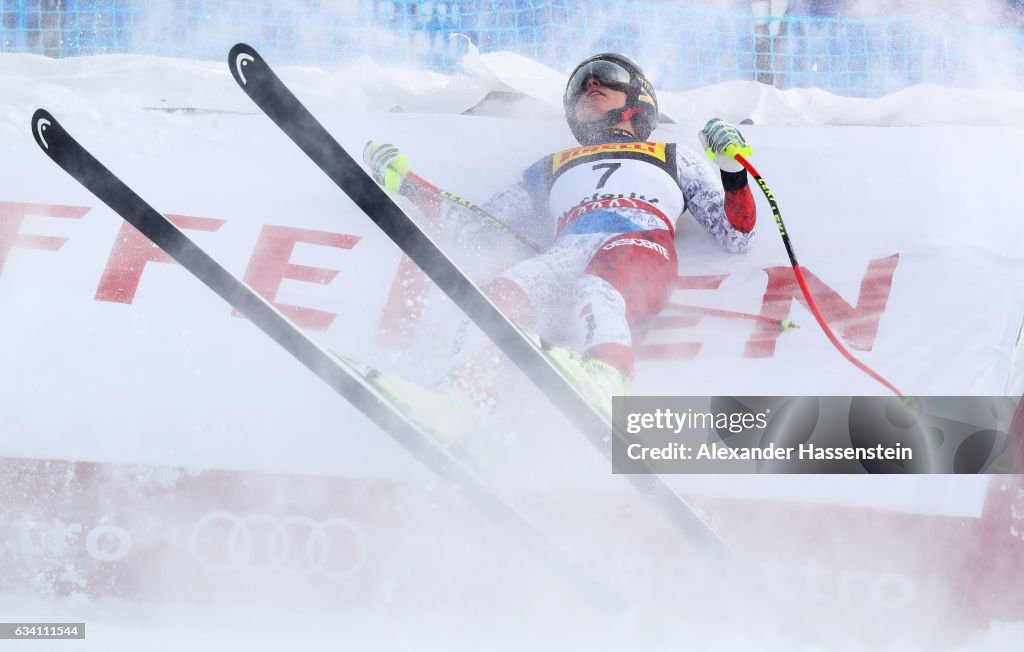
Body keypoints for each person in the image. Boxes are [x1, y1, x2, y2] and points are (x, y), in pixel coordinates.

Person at [363, 53, 757, 438]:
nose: (592, 82)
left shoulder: (673, 156)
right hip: (567, 252)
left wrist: (731, 167)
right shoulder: (550, 166)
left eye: (607, 74)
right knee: (499, 296)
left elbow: (735, 234)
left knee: (598, 287)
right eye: (582, 80)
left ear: (638, 99)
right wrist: (411, 185)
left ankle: (606, 380)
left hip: (637, 245)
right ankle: (460, 401)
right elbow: (478, 228)